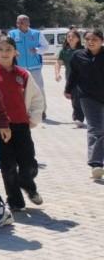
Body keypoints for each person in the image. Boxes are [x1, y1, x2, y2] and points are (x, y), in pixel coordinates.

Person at [0, 36, 44, 213]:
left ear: (15, 52)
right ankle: (15, 200)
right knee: (8, 164)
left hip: (21, 125)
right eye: (1, 49)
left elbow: (36, 98)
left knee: (29, 164)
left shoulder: (23, 74)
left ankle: (27, 184)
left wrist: (33, 118)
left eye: (8, 49)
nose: (4, 53)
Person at [63, 28, 104, 180]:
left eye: (95, 39)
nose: (91, 42)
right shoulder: (78, 56)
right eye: (88, 39)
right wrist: (68, 89)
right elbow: (74, 75)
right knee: (95, 128)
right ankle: (96, 164)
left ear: (102, 41)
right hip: (87, 97)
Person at [8, 15, 47, 105]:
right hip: (19, 68)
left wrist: (37, 50)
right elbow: (8, 46)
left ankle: (42, 110)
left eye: (22, 22)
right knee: (20, 89)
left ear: (28, 23)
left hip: (35, 67)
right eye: (18, 22)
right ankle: (24, 109)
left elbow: (45, 46)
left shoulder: (37, 33)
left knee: (39, 88)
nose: (19, 24)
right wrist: (13, 51)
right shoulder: (12, 34)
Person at [56, 29, 86, 126]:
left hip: (84, 79)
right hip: (70, 79)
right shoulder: (64, 51)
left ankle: (81, 116)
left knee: (82, 98)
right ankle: (78, 117)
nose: (70, 38)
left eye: (73, 36)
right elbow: (58, 63)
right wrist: (57, 74)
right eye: (68, 36)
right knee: (75, 98)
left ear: (78, 38)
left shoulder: (83, 50)